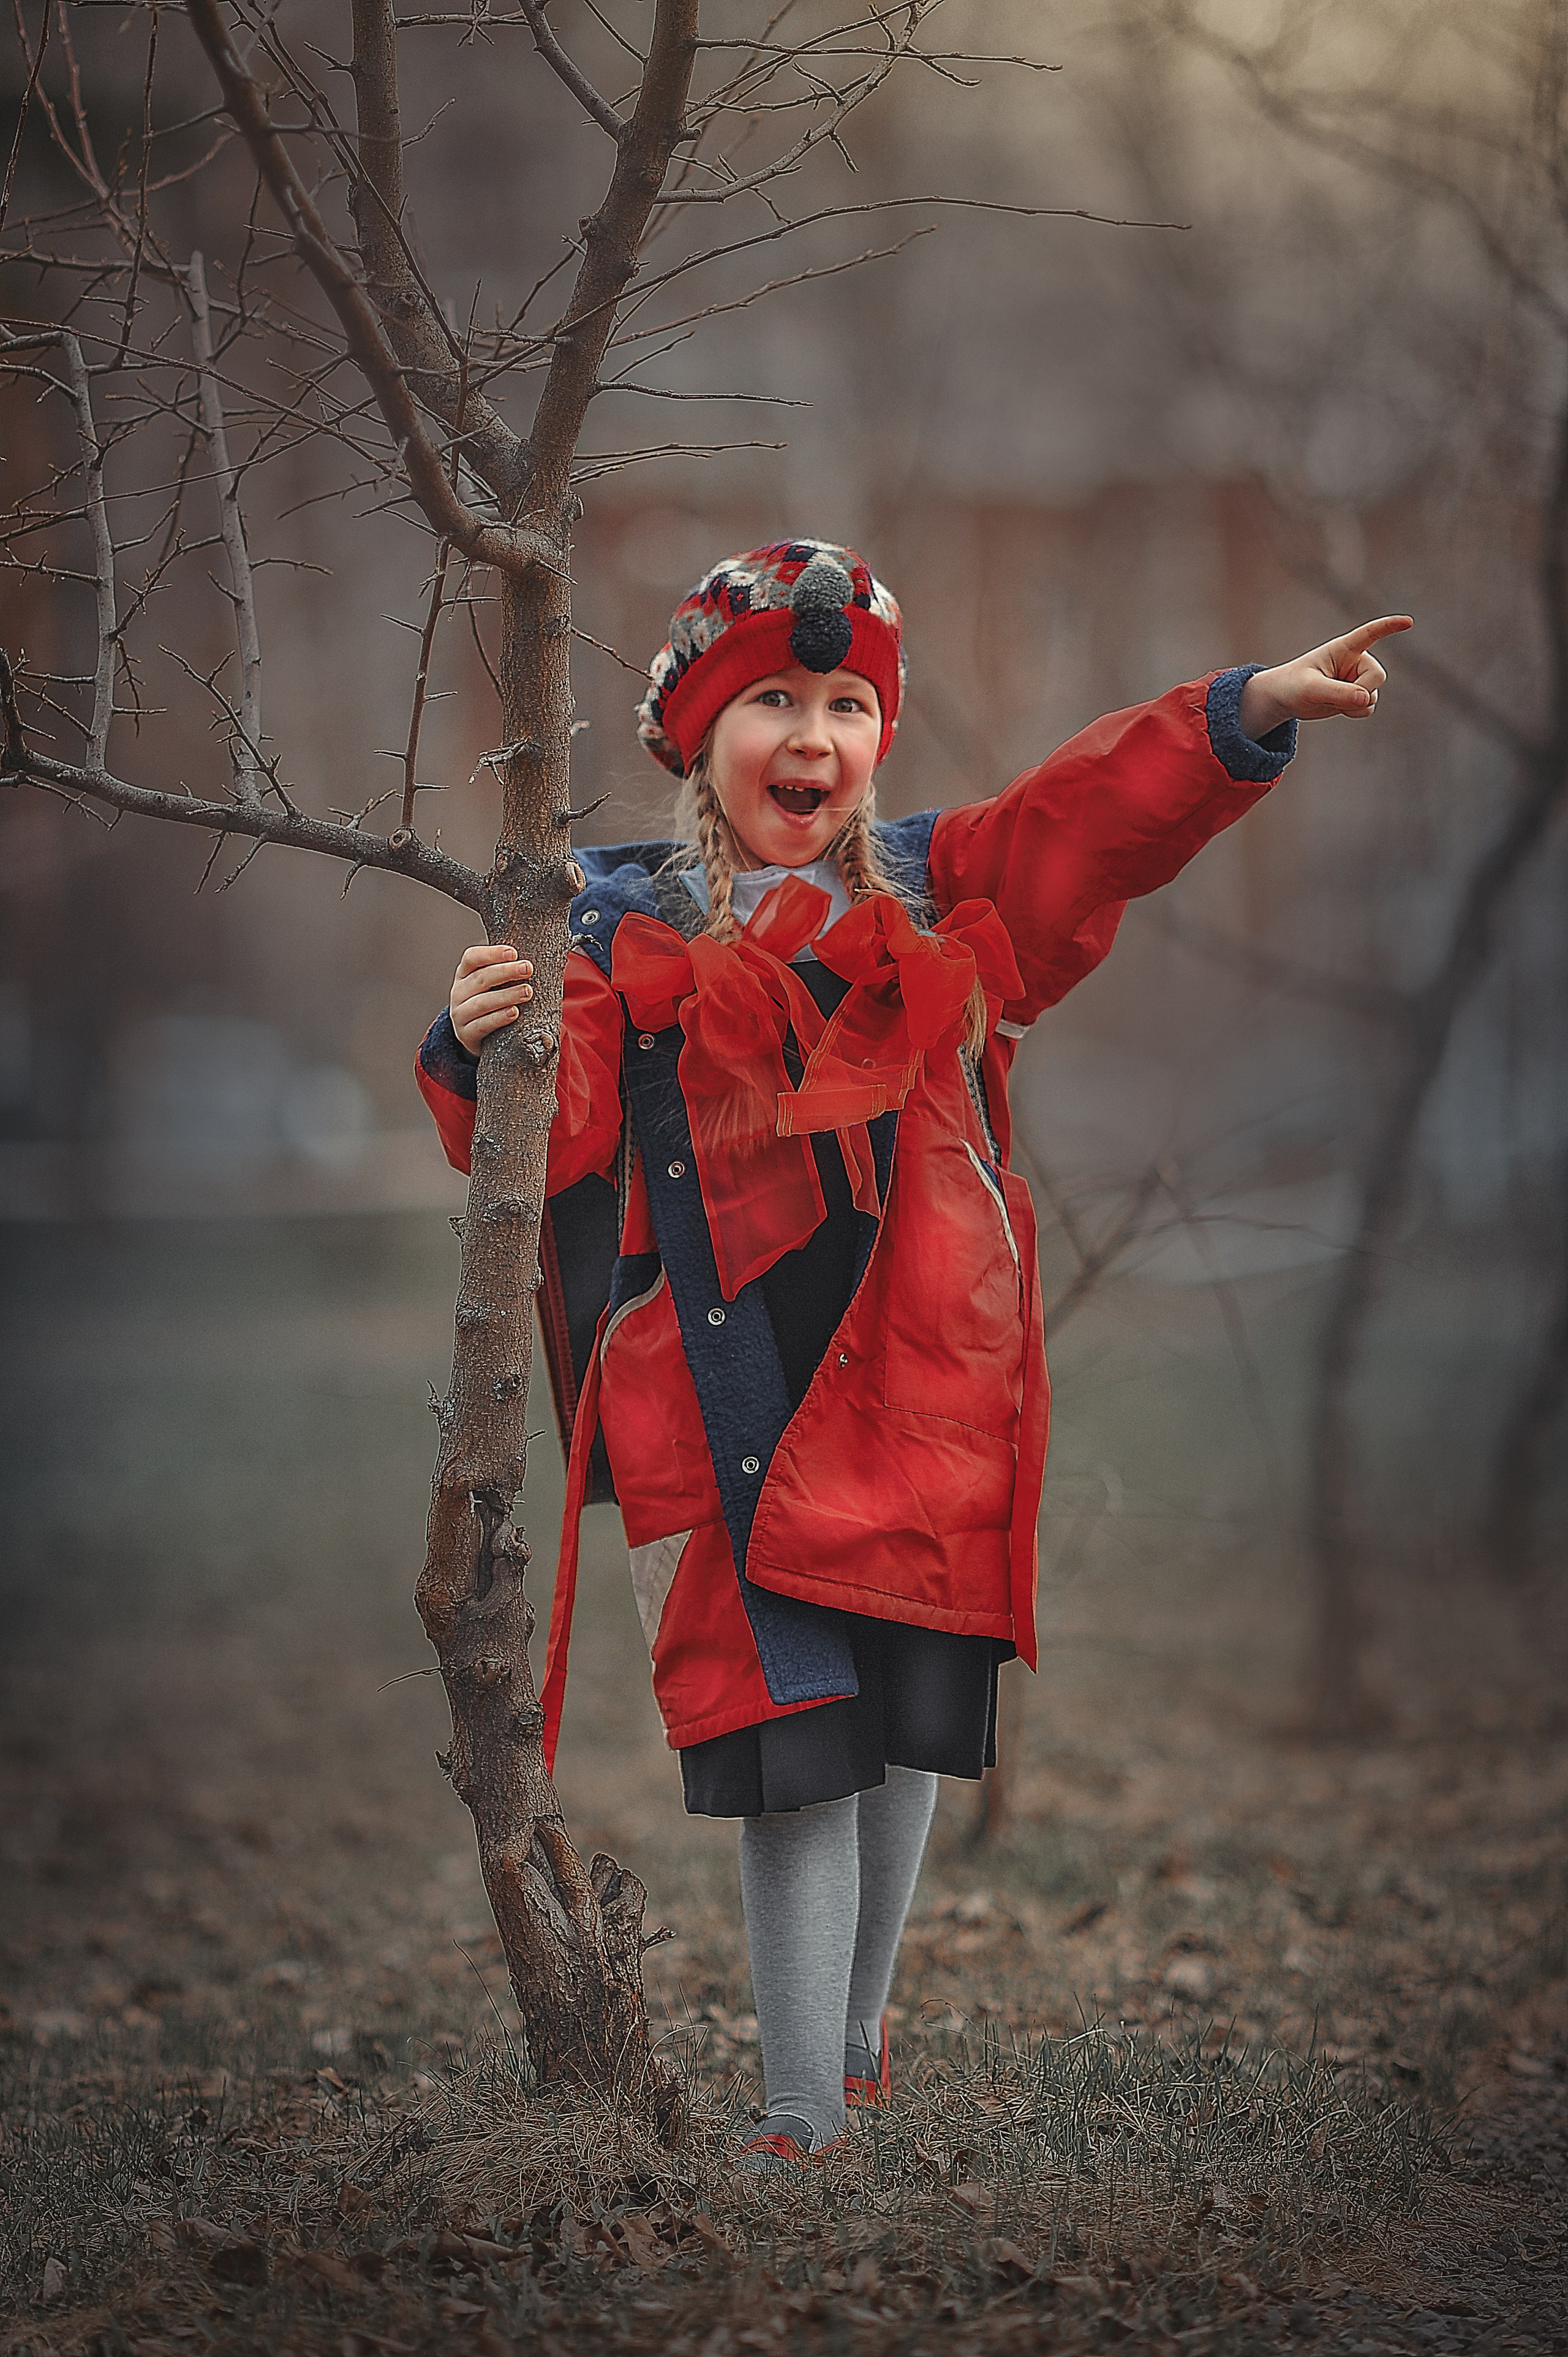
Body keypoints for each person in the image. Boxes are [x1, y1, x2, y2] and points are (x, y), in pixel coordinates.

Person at [416, 538, 1409, 2170]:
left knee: (897, 1737)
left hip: (918, 1393)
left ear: (880, 735)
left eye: (846, 706)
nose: (811, 736)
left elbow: (1091, 817)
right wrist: (477, 1045)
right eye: (772, 703)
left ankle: (858, 2034)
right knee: (795, 1754)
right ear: (698, 735)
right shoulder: (607, 920)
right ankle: (801, 2116)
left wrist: (1244, 713)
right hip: (733, 1407)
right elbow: (552, 1126)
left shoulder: (941, 885)